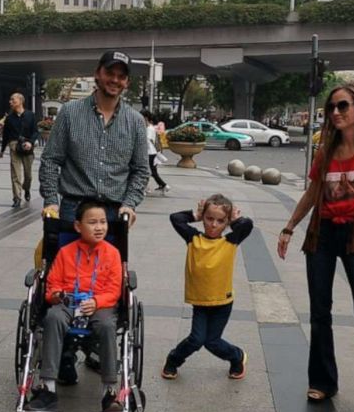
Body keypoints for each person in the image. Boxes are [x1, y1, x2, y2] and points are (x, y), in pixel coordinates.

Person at [277, 82, 354, 412]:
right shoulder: (325, 149)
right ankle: (323, 382)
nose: (335, 113)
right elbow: (313, 193)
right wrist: (289, 227)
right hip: (323, 235)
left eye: (343, 106)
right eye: (331, 107)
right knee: (319, 313)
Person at [26, 199, 123, 412]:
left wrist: (97, 302)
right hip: (68, 301)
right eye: (92, 223)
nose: (99, 227)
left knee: (107, 325)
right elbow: (53, 285)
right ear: (78, 226)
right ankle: (48, 388)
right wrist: (56, 295)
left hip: (99, 303)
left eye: (103, 222)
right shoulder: (65, 252)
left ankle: (110, 391)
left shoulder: (112, 253)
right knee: (53, 318)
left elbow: (115, 289)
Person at [39, 50, 149, 230]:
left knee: (112, 259)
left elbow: (141, 170)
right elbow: (50, 159)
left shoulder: (135, 121)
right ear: (97, 73)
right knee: (66, 259)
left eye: (121, 76)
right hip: (73, 210)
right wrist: (51, 201)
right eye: (110, 73)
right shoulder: (70, 113)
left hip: (114, 213)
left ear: (127, 82)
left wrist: (130, 203)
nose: (115, 80)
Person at [162, 194, 252, 381]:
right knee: (196, 339)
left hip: (223, 302)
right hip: (200, 302)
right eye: (209, 219)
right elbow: (175, 218)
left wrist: (235, 220)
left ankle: (237, 357)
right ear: (203, 218)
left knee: (212, 342)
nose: (213, 224)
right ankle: (173, 360)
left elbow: (247, 225)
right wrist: (196, 214)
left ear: (226, 223)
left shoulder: (230, 241)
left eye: (220, 221)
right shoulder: (193, 238)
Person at [0, 92, 40, 208]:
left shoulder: (30, 115)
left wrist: (30, 143)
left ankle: (26, 188)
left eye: (13, 100)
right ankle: (16, 197)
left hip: (27, 147)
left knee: (28, 176)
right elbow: (6, 135)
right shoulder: (9, 118)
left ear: (20, 101)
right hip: (14, 146)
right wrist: (2, 150)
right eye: (10, 100)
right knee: (15, 174)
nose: (10, 102)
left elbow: (35, 131)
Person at [142, 110, 169, 195]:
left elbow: (148, 141)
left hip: (149, 152)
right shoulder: (150, 127)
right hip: (151, 152)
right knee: (152, 171)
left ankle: (147, 188)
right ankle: (162, 185)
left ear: (146, 118)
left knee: (148, 171)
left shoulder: (149, 129)